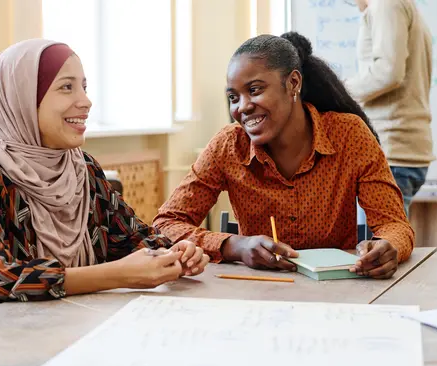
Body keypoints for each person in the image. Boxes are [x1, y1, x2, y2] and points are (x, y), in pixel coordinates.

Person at [0, 39, 209, 321]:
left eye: (84, 87)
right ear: (23, 98)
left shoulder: (82, 167)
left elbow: (133, 238)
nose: (86, 101)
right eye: (67, 87)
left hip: (70, 329)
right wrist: (115, 275)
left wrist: (175, 254)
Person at [153, 32, 414, 280]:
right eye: (233, 97)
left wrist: (388, 246)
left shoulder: (349, 135)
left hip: (336, 291)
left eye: (254, 90)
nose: (242, 107)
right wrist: (235, 245)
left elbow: (394, 224)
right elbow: (166, 224)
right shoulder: (228, 146)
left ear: (293, 83)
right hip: (260, 293)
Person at [344, 0, 434, 216]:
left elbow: (387, 72)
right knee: (384, 243)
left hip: (392, 151)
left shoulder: (386, 4)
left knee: (382, 246)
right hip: (399, 151)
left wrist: (339, 91)